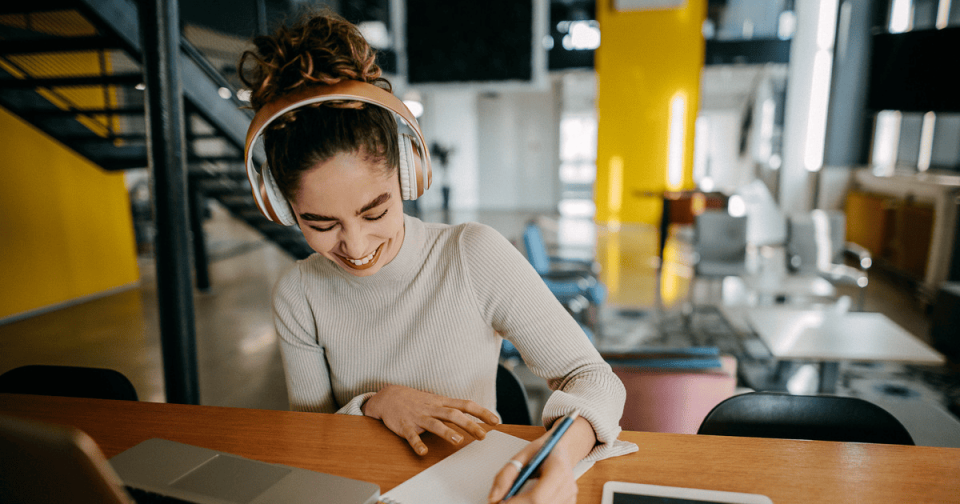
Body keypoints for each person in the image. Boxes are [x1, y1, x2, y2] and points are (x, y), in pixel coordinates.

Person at [239, 10, 637, 504]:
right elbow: (313, 441)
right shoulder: (299, 294)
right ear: (282, 208)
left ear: (409, 174)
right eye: (321, 225)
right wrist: (376, 403)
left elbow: (592, 377)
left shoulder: (472, 255)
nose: (356, 247)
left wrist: (558, 453)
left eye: (375, 211)